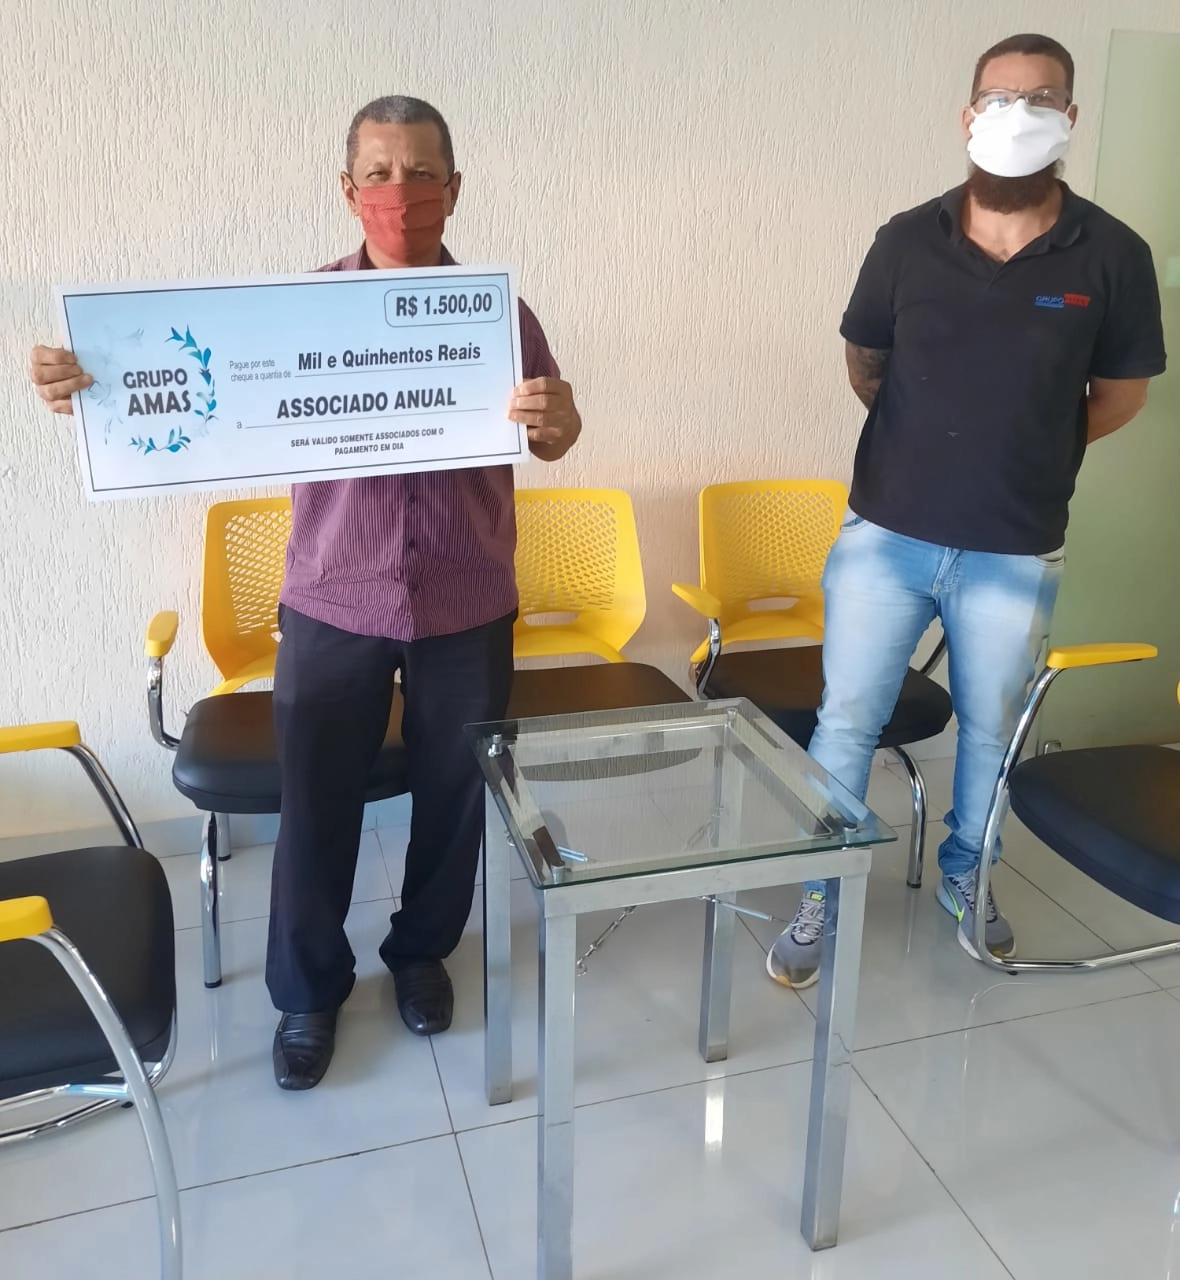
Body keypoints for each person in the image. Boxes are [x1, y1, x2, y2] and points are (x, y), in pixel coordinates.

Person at [29, 96, 582, 1089]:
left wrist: (560, 419)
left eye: (422, 173)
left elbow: (551, 434)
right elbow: (188, 391)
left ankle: (421, 951)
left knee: (455, 798)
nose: (401, 193)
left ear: (455, 188)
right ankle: (307, 991)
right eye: (379, 173)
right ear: (347, 188)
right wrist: (96, 385)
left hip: (467, 599)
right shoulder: (291, 312)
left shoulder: (501, 315)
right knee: (315, 805)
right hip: (335, 597)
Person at [767, 33, 1167, 989]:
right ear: (967, 116)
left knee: (991, 731)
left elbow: (1120, 395)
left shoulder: (1113, 254)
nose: (1017, 113)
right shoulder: (906, 240)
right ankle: (821, 891)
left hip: (1014, 546)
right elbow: (866, 367)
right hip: (888, 533)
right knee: (847, 721)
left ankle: (968, 876)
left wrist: (1028, 447)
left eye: (1041, 98)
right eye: (999, 96)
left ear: (1070, 118)